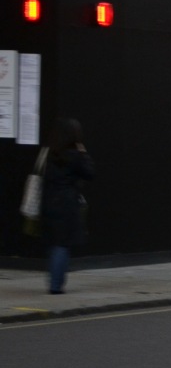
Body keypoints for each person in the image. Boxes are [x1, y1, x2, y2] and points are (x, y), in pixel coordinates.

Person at [40, 118, 94, 294]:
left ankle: (54, 280)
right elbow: (90, 174)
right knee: (62, 245)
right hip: (67, 203)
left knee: (54, 243)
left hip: (48, 201)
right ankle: (56, 285)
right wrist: (83, 153)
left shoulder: (48, 153)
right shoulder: (75, 155)